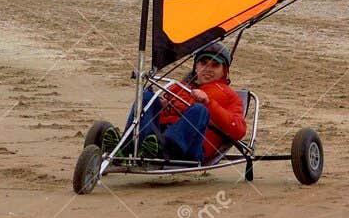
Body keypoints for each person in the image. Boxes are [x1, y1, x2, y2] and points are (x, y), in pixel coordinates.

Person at [103, 43, 246, 163]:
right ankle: (125, 147)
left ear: (224, 71)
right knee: (146, 97)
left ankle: (163, 149)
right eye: (203, 63)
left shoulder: (230, 96)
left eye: (215, 65)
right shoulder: (180, 87)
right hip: (156, 140)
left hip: (190, 149)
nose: (208, 69)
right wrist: (159, 104)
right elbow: (160, 111)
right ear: (196, 66)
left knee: (199, 110)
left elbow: (239, 130)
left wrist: (209, 103)